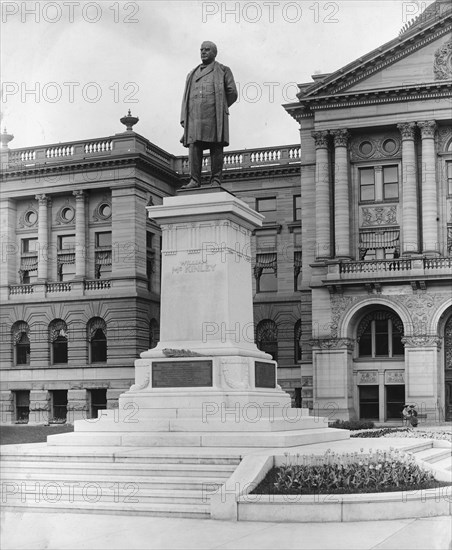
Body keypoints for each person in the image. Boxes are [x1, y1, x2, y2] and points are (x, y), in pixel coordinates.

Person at [180, 41, 238, 189]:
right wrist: (184, 118)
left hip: (214, 114)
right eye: (201, 50)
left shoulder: (223, 70)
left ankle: (216, 179)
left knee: (216, 146)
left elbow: (232, 92)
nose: (203, 52)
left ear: (214, 53)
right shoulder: (191, 74)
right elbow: (185, 98)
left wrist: (219, 106)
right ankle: (194, 180)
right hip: (194, 116)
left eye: (207, 50)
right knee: (194, 146)